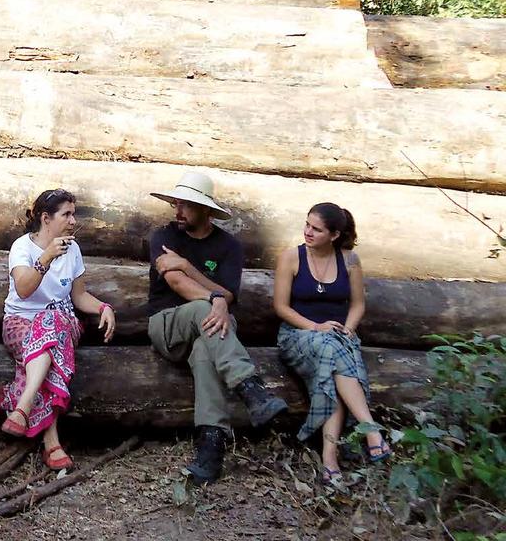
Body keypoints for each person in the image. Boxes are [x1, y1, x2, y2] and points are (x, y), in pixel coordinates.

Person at [146, 171, 288, 485]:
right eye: (177, 203)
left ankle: (211, 449)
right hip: (167, 326)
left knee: (205, 350)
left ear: (207, 210)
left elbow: (226, 294)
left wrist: (195, 274)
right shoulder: (164, 237)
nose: (179, 210)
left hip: (208, 331)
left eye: (188, 205)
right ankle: (250, 388)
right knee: (204, 310)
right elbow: (177, 282)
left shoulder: (228, 247)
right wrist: (214, 296)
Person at [0, 188, 117, 470]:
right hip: (20, 323)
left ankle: (22, 408)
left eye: (74, 215)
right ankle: (52, 444)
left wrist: (103, 307)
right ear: (46, 218)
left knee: (52, 322)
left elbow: (78, 297)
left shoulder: (73, 249)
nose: (73, 221)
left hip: (61, 323)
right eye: (67, 215)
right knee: (48, 344)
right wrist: (47, 257)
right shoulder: (22, 248)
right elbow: (24, 290)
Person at [273, 202, 391, 484]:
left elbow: (358, 305)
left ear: (335, 235)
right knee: (330, 348)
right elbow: (281, 307)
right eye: (307, 225)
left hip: (339, 337)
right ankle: (371, 430)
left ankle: (329, 458)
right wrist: (316, 327)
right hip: (298, 334)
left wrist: (349, 329)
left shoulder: (350, 260)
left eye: (317, 229)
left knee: (331, 366)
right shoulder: (292, 257)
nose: (308, 232)